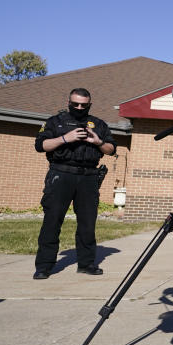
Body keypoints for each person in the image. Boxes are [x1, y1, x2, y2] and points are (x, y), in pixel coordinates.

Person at [33, 88, 115, 279]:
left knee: (87, 223)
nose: (79, 107)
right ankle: (44, 266)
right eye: (75, 104)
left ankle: (86, 264)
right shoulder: (55, 122)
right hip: (61, 174)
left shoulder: (99, 124)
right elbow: (40, 145)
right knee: (52, 221)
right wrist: (65, 138)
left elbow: (111, 149)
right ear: (68, 102)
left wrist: (97, 141)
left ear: (89, 105)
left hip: (88, 177)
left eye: (83, 105)